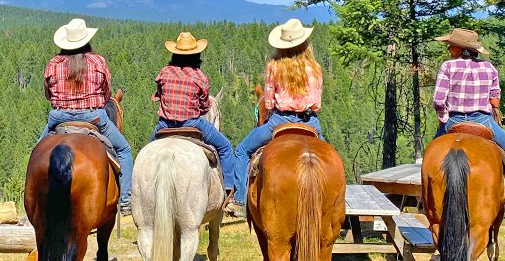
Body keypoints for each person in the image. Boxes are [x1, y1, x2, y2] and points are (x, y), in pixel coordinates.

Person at [432, 27, 505, 226]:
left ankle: (425, 198)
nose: (448, 50)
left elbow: (438, 100)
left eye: (450, 46)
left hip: (454, 121)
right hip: (483, 121)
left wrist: (444, 117)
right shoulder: (490, 68)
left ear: (459, 50)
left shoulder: (448, 67)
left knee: (431, 157)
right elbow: (495, 99)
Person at [42, 17, 134, 215]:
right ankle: (126, 201)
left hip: (59, 118)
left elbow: (48, 94)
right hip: (93, 118)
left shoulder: (54, 63)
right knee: (125, 151)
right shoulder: (97, 61)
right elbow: (107, 93)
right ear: (86, 40)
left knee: (37, 154)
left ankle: (36, 197)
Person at [231, 18, 323, 203]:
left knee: (241, 151)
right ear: (304, 42)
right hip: (310, 121)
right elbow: (317, 104)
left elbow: (269, 102)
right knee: (330, 156)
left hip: (280, 121)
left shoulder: (275, 66)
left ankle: (240, 200)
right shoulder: (315, 68)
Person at [151, 31, 236, 197]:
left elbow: (159, 94)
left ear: (174, 53)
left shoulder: (164, 72)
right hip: (192, 124)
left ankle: (134, 192)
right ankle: (229, 189)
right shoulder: (200, 76)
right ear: (196, 55)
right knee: (225, 147)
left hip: (165, 125)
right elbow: (204, 106)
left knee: (146, 153)